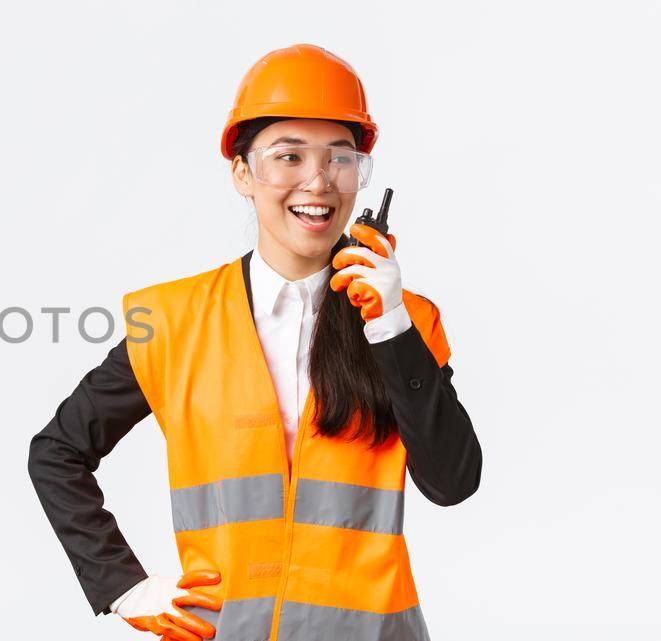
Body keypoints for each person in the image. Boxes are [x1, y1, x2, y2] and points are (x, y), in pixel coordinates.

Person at [27, 43, 480, 641]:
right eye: (288, 157)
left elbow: (451, 482)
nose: (318, 182)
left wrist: (390, 328)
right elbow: (56, 452)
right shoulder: (172, 320)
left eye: (339, 158)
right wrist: (121, 585)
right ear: (243, 172)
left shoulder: (406, 321)